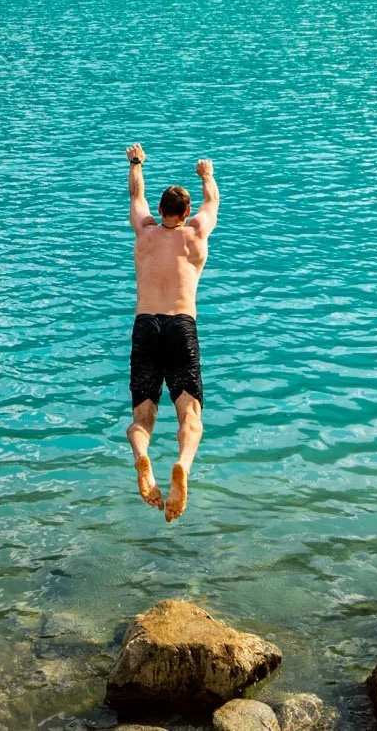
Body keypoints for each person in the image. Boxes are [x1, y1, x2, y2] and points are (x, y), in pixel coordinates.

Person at [124, 143, 218, 522]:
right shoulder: (195, 234)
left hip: (146, 325)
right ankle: (182, 464)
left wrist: (136, 162)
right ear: (185, 213)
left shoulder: (144, 234)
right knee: (189, 414)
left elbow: (136, 195)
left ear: (160, 212)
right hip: (181, 325)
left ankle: (142, 456)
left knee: (142, 417)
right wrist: (207, 175)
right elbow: (212, 203)